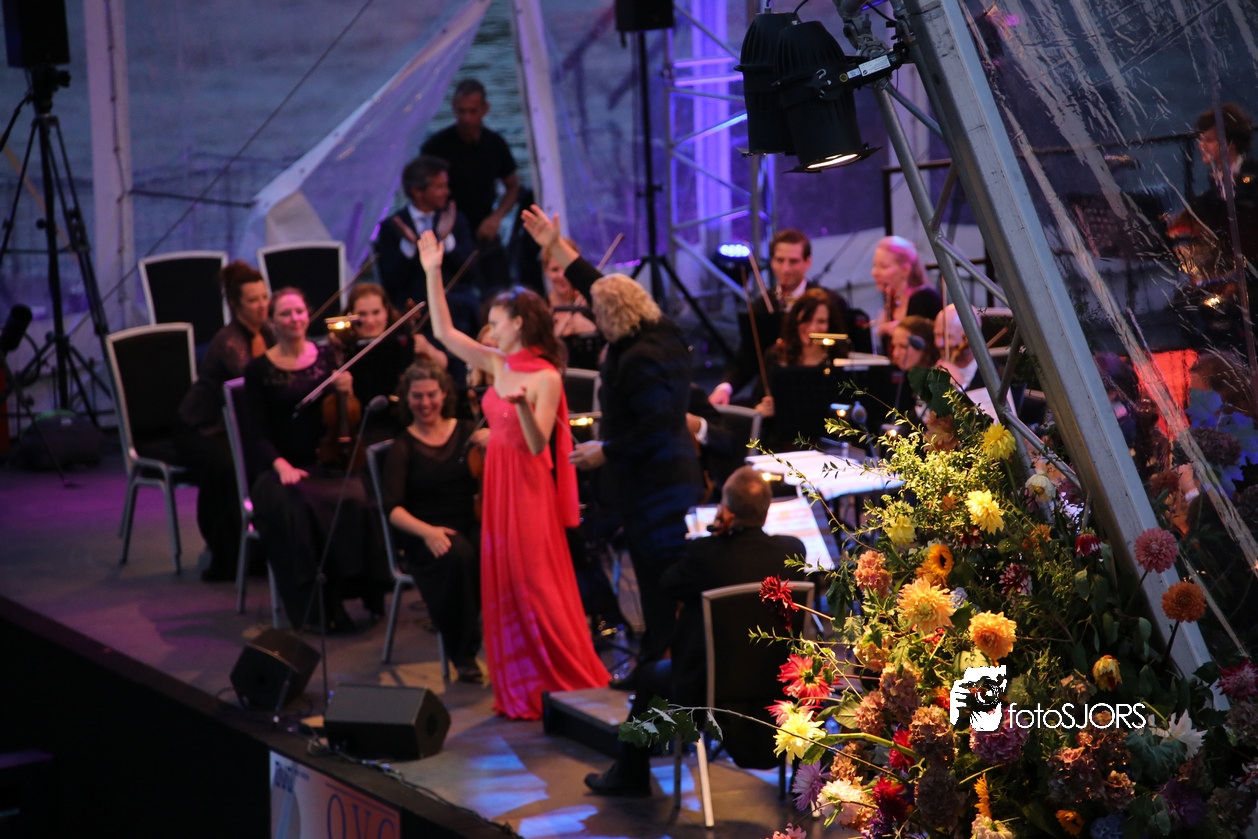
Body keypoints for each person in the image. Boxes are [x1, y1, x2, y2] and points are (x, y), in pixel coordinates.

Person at [418, 229, 609, 719]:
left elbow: (539, 443)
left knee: (535, 582)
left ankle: (564, 673)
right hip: (498, 484)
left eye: (495, 322)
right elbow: (443, 332)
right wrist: (432, 272)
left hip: (526, 487)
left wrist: (522, 406)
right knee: (505, 582)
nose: (490, 330)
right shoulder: (497, 362)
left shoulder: (545, 376)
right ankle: (522, 680)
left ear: (519, 323)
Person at [520, 205, 704, 668]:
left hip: (656, 491)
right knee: (659, 583)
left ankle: (663, 672)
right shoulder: (660, 328)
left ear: (609, 318)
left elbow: (654, 427)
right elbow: (598, 286)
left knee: (659, 583)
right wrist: (554, 246)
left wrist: (606, 450)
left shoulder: (639, 358)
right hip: (671, 481)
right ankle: (660, 663)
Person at [584, 467, 807, 797]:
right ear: (766, 510)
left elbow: (668, 584)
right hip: (779, 689)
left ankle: (630, 774)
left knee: (650, 676)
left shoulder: (706, 553)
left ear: (726, 511)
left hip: (709, 693)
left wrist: (716, 535)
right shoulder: (793, 551)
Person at [244, 287, 390, 633]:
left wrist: (346, 392)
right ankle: (320, 604)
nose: (294, 319)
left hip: (326, 460)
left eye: (299, 311)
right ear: (272, 322)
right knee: (302, 507)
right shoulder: (258, 369)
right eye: (284, 313)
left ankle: (360, 591)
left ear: (308, 315)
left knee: (359, 497)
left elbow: (345, 415)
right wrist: (281, 465)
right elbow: (257, 434)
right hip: (280, 469)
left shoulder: (327, 357)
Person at [381, 363, 483, 683]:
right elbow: (392, 509)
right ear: (406, 399)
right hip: (424, 533)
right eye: (417, 396)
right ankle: (463, 653)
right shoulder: (403, 446)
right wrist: (427, 532)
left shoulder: (468, 431)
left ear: (444, 394)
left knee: (496, 548)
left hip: (470, 520)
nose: (425, 403)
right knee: (459, 557)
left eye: (431, 395)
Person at [175, 261, 272, 582]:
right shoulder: (228, 340)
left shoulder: (268, 332)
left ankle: (267, 547)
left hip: (236, 426)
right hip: (201, 427)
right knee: (231, 467)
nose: (262, 305)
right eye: (253, 300)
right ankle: (230, 555)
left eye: (265, 297)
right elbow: (256, 380)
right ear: (234, 304)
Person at [710, 229, 865, 405]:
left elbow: (844, 353)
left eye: (793, 261)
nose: (786, 269)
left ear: (808, 262)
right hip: (770, 396)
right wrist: (724, 388)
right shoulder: (762, 305)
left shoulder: (831, 303)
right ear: (772, 262)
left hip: (820, 391)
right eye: (780, 260)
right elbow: (746, 358)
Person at [421, 79, 520, 295]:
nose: (466, 118)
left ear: (485, 109)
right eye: (461, 111)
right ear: (453, 109)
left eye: (472, 111)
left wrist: (497, 217)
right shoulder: (436, 146)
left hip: (484, 227)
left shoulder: (495, 144)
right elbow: (420, 192)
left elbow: (513, 186)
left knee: (500, 289)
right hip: (448, 228)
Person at [334, 283, 448, 444]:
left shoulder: (402, 337)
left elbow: (443, 365)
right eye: (362, 314)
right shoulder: (344, 346)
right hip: (363, 427)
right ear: (351, 315)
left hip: (406, 421)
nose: (370, 320)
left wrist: (428, 349)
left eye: (376, 312)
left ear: (386, 311)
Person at [372, 155, 478, 327]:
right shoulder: (392, 226)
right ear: (417, 191)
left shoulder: (455, 220)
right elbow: (390, 281)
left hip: (456, 309)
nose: (447, 192)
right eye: (440, 187)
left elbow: (471, 272)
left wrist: (446, 238)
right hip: (413, 310)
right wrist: (409, 245)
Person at [751, 288, 839, 452]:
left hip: (828, 447)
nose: (813, 327)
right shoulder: (776, 355)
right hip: (781, 446)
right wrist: (761, 409)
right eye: (806, 319)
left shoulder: (837, 358)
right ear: (795, 320)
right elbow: (756, 402)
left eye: (821, 321)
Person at [871, 235, 943, 350]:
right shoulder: (891, 300)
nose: (874, 273)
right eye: (875, 265)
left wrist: (898, 330)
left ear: (905, 269)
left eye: (883, 267)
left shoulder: (925, 297)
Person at [934, 303, 983, 392]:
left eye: (948, 337)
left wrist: (960, 386)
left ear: (969, 338)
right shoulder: (934, 367)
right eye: (937, 335)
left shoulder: (996, 376)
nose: (939, 343)